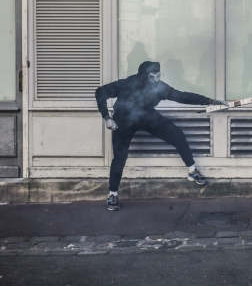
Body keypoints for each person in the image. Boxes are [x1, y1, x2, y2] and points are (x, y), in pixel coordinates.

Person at [95, 61, 227, 211]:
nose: (157, 80)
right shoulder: (128, 83)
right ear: (144, 76)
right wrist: (107, 117)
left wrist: (211, 101)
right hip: (123, 119)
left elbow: (182, 96)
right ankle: (113, 195)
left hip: (146, 115)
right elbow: (100, 92)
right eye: (153, 76)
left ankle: (192, 172)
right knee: (120, 157)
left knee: (177, 134)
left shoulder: (159, 87)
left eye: (159, 75)